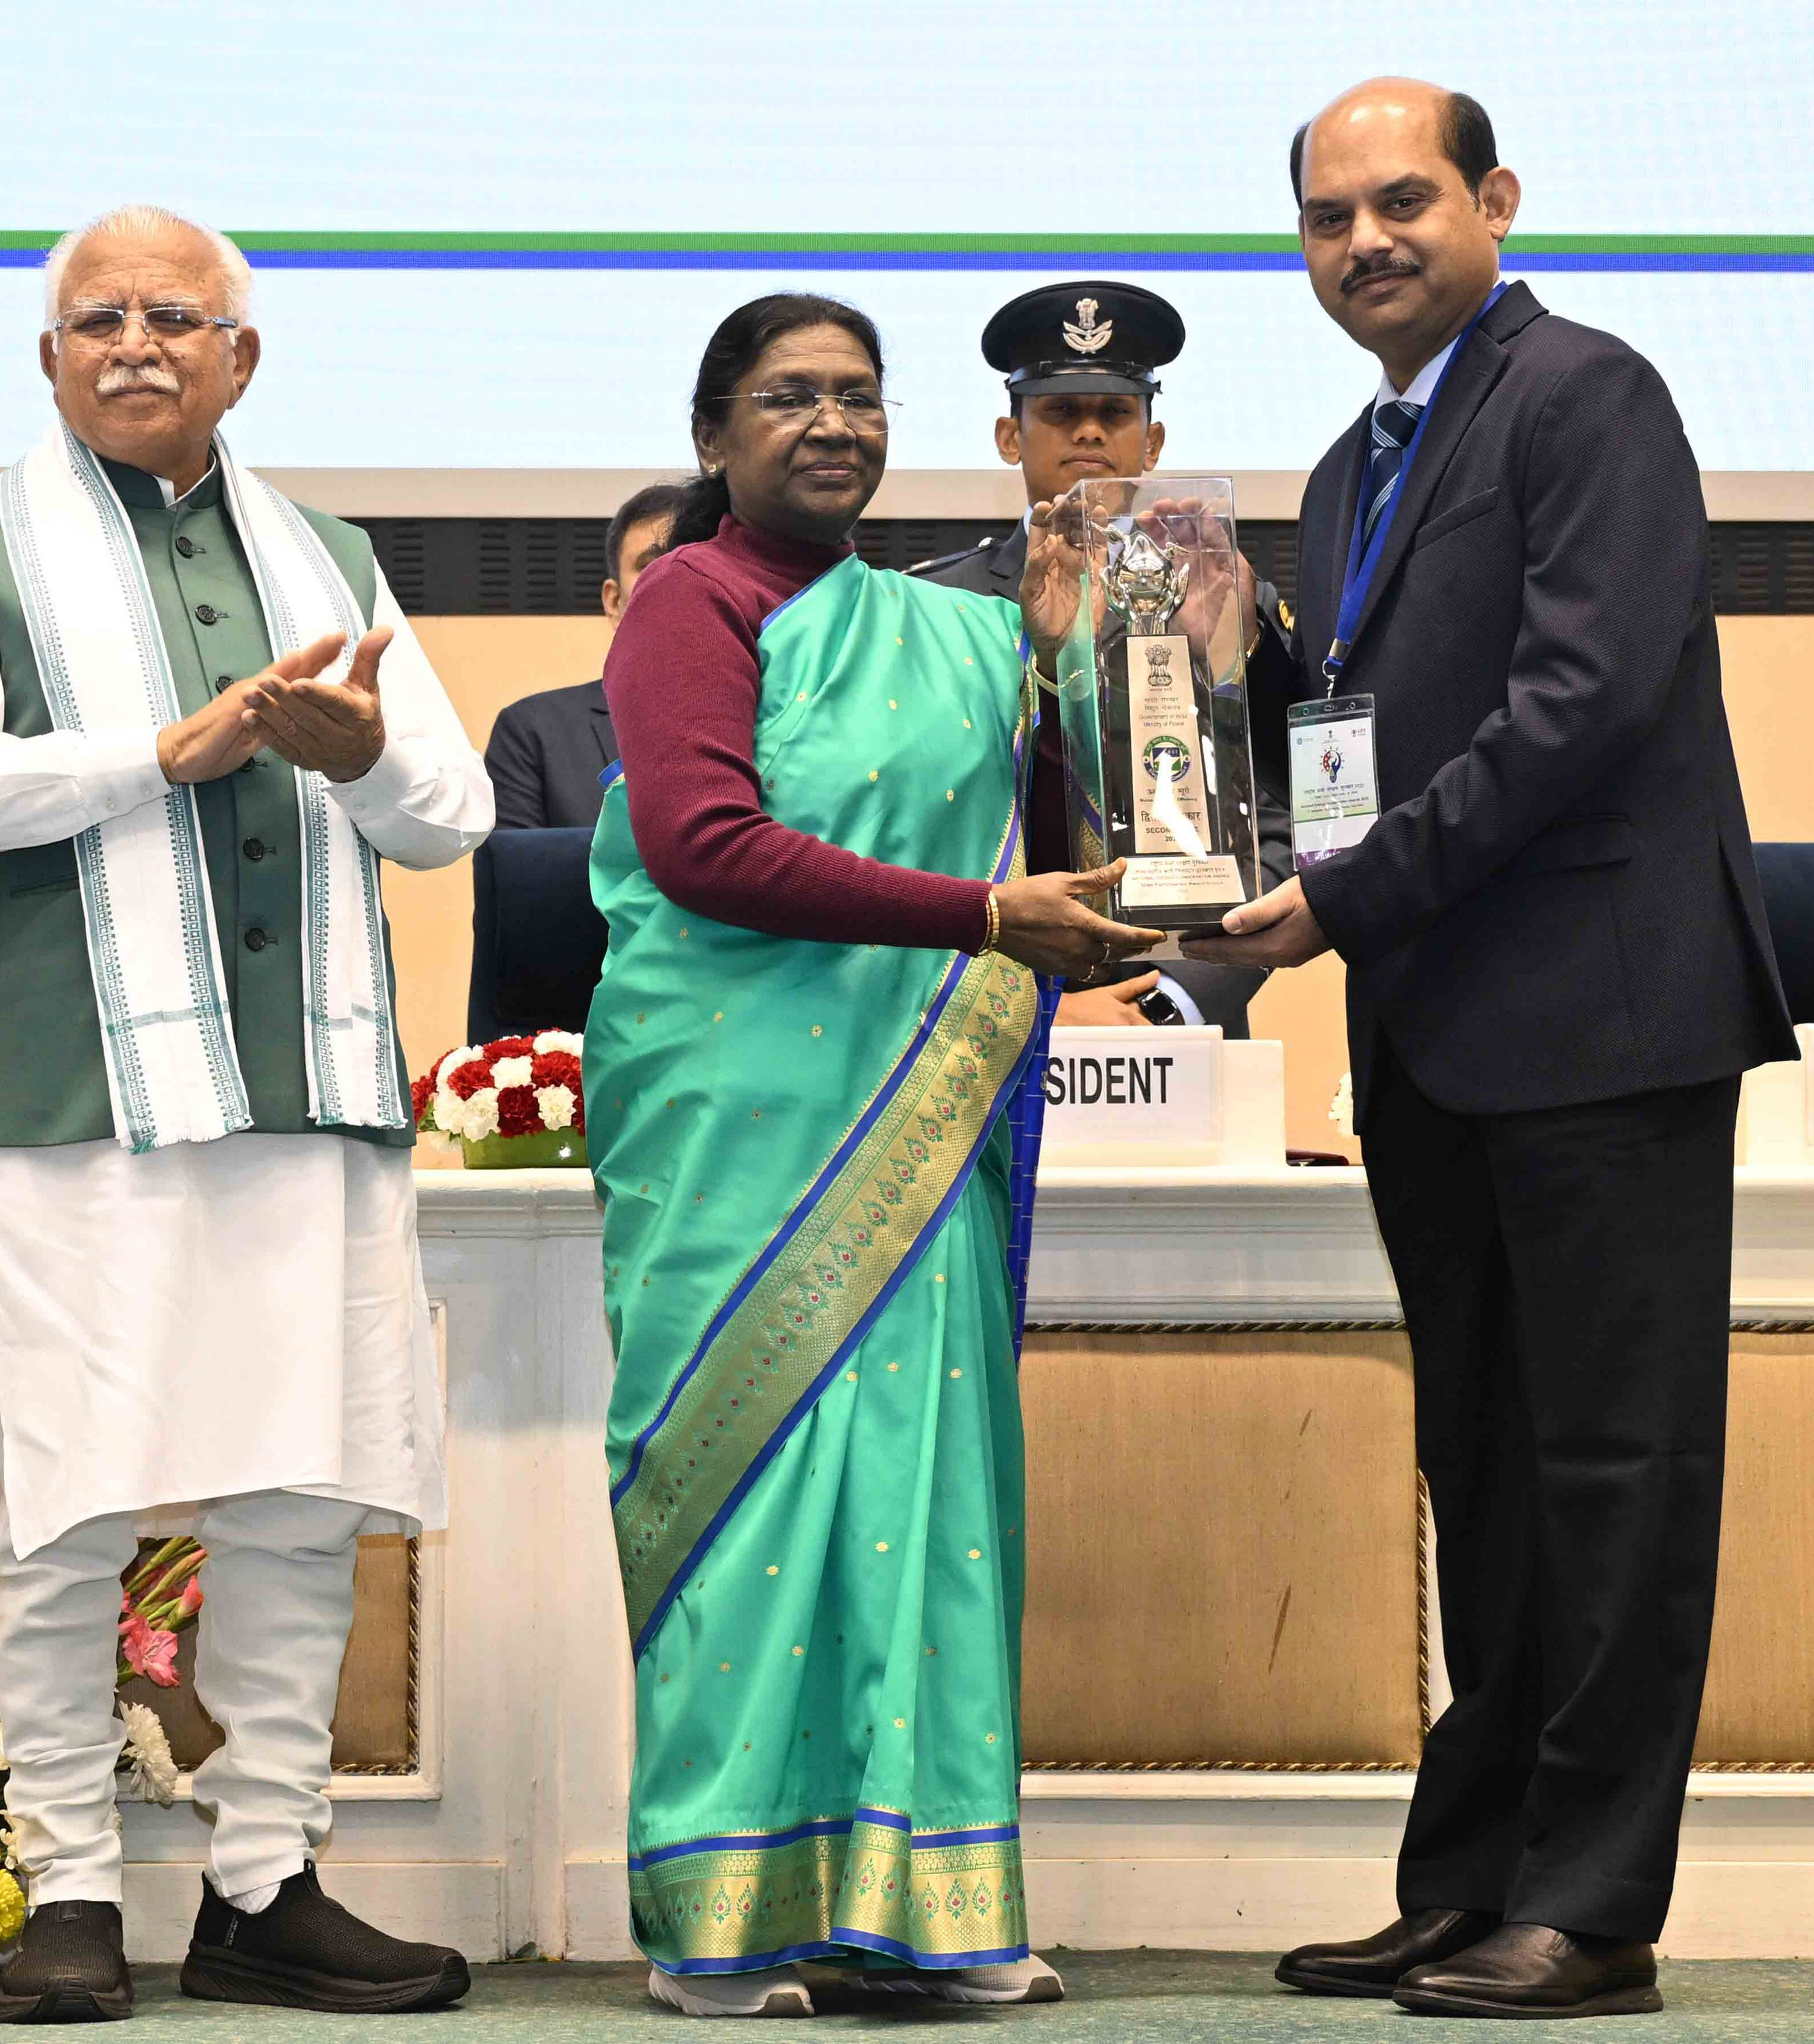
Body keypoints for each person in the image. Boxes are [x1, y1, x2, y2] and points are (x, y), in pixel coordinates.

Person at [1187, 80, 1793, 2020]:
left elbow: (1578, 700)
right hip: (1434, 1031)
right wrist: (1235, 688)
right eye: (1326, 218)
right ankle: (1470, 1880)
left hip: (1599, 1016)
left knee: (1615, 1463)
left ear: (1492, 200)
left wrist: (1345, 896)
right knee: (1487, 1465)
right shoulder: (1342, 469)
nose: (1363, 241)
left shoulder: (1583, 394)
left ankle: (1594, 1905)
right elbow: (1346, 756)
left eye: (1401, 200)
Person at [0, 203, 491, 2024]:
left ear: (240, 356)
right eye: (98, 319)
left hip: (307, 1088)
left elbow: (447, 812)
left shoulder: (329, 554)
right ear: (48, 358)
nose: (134, 343)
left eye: (173, 317)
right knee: (66, 1504)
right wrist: (162, 751)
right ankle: (63, 1881)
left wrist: (357, 757)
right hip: (73, 1100)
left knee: (299, 1487)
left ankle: (261, 1878)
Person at [589, 291, 1163, 2018]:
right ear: (713, 436)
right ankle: (719, 1920)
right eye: (787, 397)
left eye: (858, 395)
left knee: (926, 1487)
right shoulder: (690, 602)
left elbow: (1068, 841)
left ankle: (926, 1907)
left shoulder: (959, 630)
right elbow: (702, 843)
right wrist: (980, 918)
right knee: (750, 1484)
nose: (831, 422)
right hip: (734, 1114)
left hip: (914, 1118)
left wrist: (1071, 667)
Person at [915, 281, 1300, 1037]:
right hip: (981, 1019)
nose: (1089, 431)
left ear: (1151, 444)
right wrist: (1023, 1010)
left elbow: (1275, 818)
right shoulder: (934, 605)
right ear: (1009, 436)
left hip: (1180, 1015)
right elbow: (920, 824)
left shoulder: (1223, 596)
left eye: (1115, 413)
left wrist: (1173, 999)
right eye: (1061, 410)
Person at [481, 478, 689, 830]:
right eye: (653, 564)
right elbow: (517, 865)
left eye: (695, 560)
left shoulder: (780, 720)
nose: (678, 579)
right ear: (614, 601)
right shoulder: (533, 733)